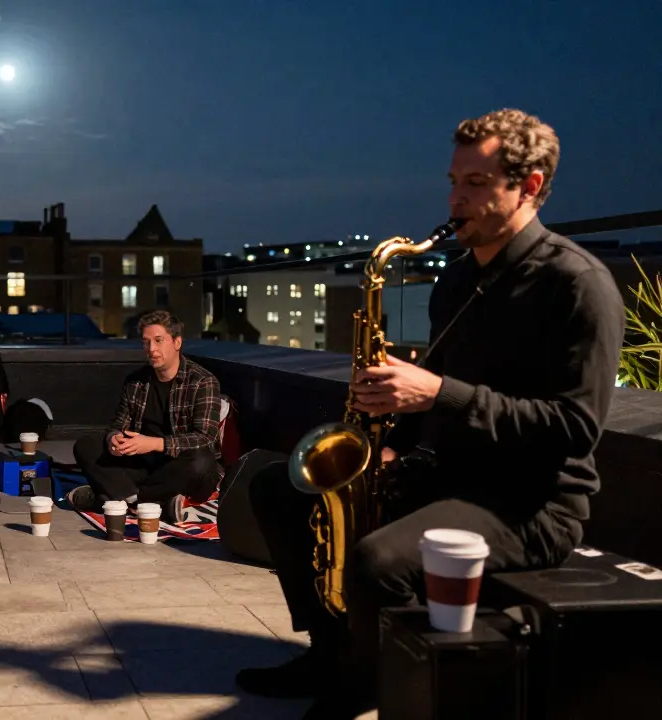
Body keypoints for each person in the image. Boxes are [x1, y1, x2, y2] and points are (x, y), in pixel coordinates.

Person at [235, 108, 626, 719]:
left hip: (529, 503)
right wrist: (394, 438)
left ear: (528, 186)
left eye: (475, 184)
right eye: (452, 181)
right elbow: (435, 392)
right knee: (278, 488)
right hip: (449, 474)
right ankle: (328, 651)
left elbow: (573, 430)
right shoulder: (458, 279)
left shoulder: (577, 284)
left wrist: (436, 393)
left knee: (377, 561)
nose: (454, 200)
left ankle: (363, 684)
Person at [67, 310, 224, 523]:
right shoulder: (136, 382)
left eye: (159, 341)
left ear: (177, 343)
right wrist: (114, 439)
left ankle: (117, 498)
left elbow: (205, 437)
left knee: (201, 462)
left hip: (179, 465)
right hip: (143, 465)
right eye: (146, 342)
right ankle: (149, 502)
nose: (151, 349)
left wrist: (154, 444)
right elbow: (117, 425)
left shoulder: (202, 381)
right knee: (87, 445)